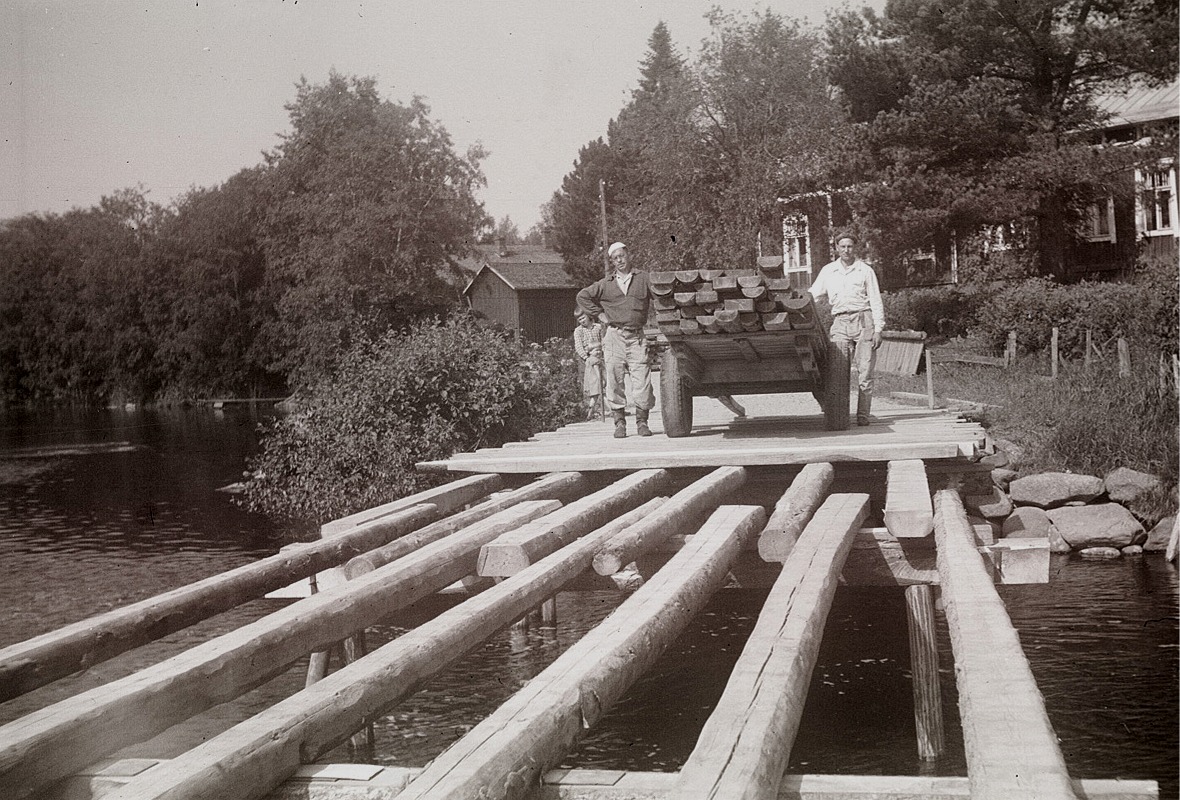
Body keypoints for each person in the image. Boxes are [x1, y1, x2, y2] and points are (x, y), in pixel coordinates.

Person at [575, 241, 655, 438]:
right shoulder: (606, 284)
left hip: (636, 336)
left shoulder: (644, 278)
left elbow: (660, 297)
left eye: (622, 255)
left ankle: (642, 422)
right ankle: (619, 423)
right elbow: (582, 297)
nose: (620, 260)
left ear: (629, 255)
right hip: (613, 337)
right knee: (614, 380)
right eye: (615, 258)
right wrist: (599, 315)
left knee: (642, 381)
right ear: (612, 261)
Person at [808, 233, 885, 426]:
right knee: (835, 371)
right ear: (836, 248)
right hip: (840, 321)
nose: (846, 250)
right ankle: (837, 413)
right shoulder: (829, 271)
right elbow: (813, 295)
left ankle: (862, 415)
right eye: (842, 246)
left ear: (855, 248)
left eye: (850, 246)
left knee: (865, 372)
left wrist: (878, 329)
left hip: (863, 319)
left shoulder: (865, 270)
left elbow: (875, 299)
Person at [572, 311, 605, 420]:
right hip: (588, 359)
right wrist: (586, 357)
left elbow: (604, 341)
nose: (582, 321)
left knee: (607, 382)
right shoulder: (579, 331)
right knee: (594, 384)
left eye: (583, 318)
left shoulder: (598, 327)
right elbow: (578, 346)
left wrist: (602, 352)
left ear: (588, 316)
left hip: (601, 357)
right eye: (579, 320)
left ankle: (611, 407)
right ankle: (591, 410)